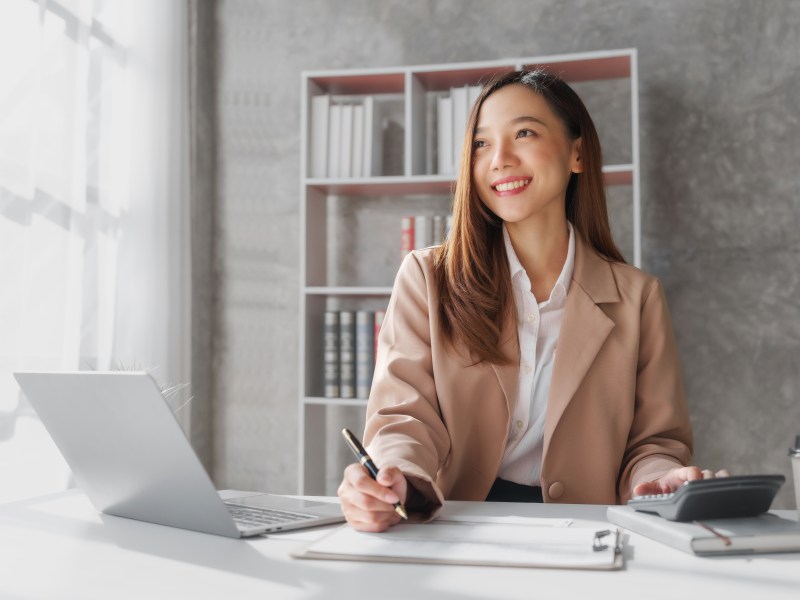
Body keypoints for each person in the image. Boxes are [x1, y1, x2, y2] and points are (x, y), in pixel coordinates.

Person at [337, 70, 727, 532]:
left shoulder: (637, 298)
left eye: (523, 133)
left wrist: (663, 478)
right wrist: (396, 476)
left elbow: (654, 442)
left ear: (577, 153)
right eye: (481, 144)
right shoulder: (427, 278)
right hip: (453, 522)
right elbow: (404, 416)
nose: (499, 159)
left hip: (588, 531)